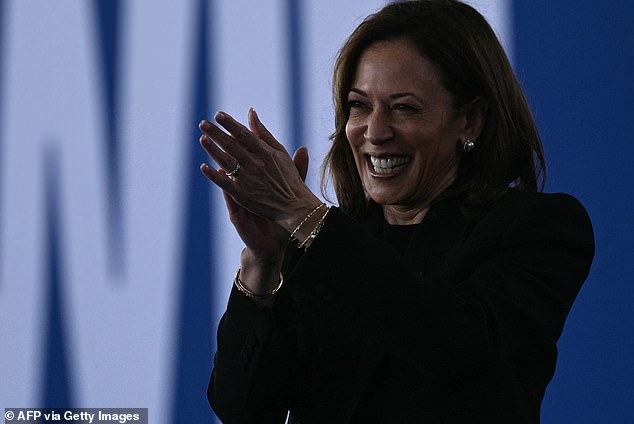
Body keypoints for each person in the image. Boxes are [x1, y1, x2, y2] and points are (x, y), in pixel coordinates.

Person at [198, 0, 594, 422]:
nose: (375, 131)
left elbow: (465, 354)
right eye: (359, 105)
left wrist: (305, 217)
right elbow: (245, 412)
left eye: (404, 107)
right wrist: (263, 265)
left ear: (471, 121)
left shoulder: (538, 227)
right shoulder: (322, 244)